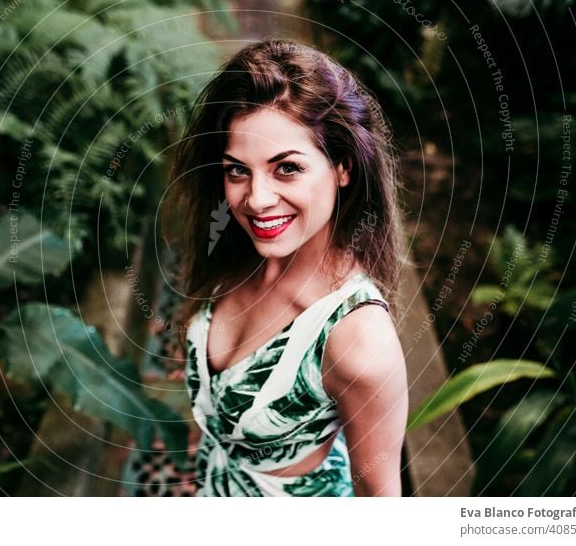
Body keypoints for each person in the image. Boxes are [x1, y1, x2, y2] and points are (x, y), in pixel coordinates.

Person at [162, 39, 409, 497]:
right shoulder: (238, 254)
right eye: (238, 170)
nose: (255, 199)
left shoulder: (356, 339)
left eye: (287, 168)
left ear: (343, 167)